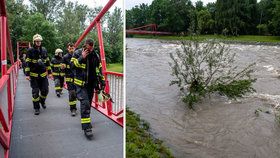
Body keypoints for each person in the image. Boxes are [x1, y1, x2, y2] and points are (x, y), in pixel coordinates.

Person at [71, 39, 105, 139]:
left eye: (91, 48)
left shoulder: (95, 55)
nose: (89, 50)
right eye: (88, 48)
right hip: (81, 85)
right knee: (85, 104)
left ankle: (86, 119)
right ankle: (87, 128)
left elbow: (99, 69)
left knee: (88, 104)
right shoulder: (77, 53)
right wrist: (82, 57)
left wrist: (102, 81)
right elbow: (72, 66)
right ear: (84, 45)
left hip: (91, 85)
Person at [25, 34, 52, 115]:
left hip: (43, 75)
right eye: (37, 41)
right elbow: (27, 63)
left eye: (39, 41)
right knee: (35, 92)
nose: (38, 43)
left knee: (45, 91)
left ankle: (42, 101)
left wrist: (50, 73)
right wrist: (27, 74)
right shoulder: (30, 51)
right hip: (34, 76)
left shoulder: (44, 50)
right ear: (34, 42)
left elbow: (47, 62)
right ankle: (36, 108)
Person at [62, 43, 77, 116]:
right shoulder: (65, 57)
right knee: (72, 93)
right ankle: (73, 109)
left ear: (74, 48)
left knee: (78, 94)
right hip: (69, 79)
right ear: (68, 49)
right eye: (70, 48)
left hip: (78, 79)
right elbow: (61, 66)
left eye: (72, 48)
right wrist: (62, 67)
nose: (71, 50)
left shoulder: (78, 55)